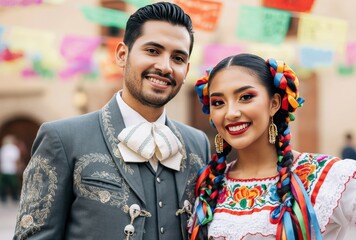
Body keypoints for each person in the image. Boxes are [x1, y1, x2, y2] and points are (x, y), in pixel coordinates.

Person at [14, 2, 210, 240]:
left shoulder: (199, 144)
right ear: (122, 55)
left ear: (187, 69)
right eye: (152, 51)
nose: (164, 66)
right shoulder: (62, 139)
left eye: (178, 58)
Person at [188, 53, 356, 239]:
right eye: (218, 102)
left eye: (246, 97)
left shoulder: (323, 177)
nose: (231, 112)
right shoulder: (209, 186)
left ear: (274, 103)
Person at [0, 135, 21, 203]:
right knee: (13, 184)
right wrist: (17, 167)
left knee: (4, 184)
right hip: (12, 169)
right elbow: (17, 159)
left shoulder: (3, 148)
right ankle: (15, 197)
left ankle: (3, 198)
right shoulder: (14, 148)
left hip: (4, 168)